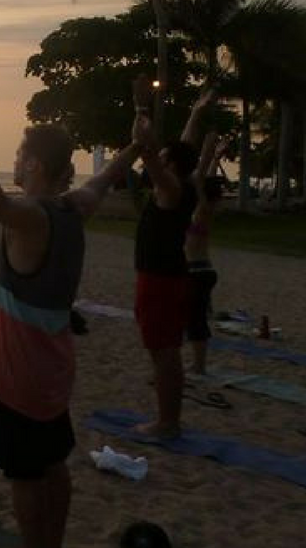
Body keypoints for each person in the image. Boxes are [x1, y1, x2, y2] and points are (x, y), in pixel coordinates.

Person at [0, 123, 142, 548]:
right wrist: (137, 145)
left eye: (19, 155)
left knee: (24, 477)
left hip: (20, 380)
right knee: (53, 466)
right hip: (54, 377)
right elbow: (107, 176)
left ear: (34, 163)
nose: (14, 162)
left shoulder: (33, 219)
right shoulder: (76, 208)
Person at [132, 79, 205, 439]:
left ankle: (167, 422)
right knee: (167, 350)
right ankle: (169, 420)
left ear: (171, 165)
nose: (158, 160)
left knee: (163, 352)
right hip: (167, 276)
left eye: (164, 159)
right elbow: (185, 147)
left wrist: (141, 109)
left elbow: (146, 151)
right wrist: (195, 112)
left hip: (160, 279)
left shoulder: (172, 188)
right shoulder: (185, 181)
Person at [185, 129, 228, 375]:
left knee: (197, 322)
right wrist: (216, 156)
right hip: (202, 270)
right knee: (195, 318)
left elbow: (199, 179)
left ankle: (198, 365)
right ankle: (197, 362)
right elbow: (205, 179)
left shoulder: (201, 211)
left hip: (198, 272)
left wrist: (208, 147)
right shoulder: (207, 209)